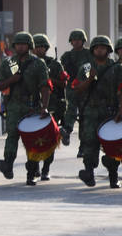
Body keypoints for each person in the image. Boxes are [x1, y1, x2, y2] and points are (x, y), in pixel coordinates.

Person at [0, 31, 51, 186]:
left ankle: (31, 173)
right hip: (13, 106)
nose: (20, 47)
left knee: (32, 140)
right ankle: (8, 165)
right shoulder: (9, 63)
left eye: (23, 44)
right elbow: (0, 85)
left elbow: (45, 87)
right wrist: (12, 79)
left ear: (29, 46)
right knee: (12, 136)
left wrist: (44, 107)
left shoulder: (38, 64)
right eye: (18, 44)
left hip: (32, 106)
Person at [71, 35, 121, 187]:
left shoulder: (116, 68)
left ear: (108, 50)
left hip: (110, 112)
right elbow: (77, 89)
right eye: (97, 48)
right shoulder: (86, 68)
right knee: (89, 143)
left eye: (103, 48)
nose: (100, 50)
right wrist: (89, 79)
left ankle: (113, 176)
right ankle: (89, 172)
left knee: (112, 144)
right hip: (91, 111)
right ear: (93, 50)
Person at [32, 34, 66, 181]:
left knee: (50, 140)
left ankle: (46, 168)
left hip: (52, 106)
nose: (39, 49)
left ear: (45, 48)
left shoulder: (55, 64)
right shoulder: (28, 64)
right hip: (33, 106)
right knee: (34, 138)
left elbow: (64, 84)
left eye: (41, 47)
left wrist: (48, 79)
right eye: (36, 47)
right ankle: (34, 167)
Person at [60, 29, 90, 148]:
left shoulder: (89, 54)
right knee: (71, 109)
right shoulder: (67, 56)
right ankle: (67, 129)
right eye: (74, 40)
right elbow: (62, 71)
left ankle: (83, 145)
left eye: (78, 40)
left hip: (85, 88)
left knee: (84, 115)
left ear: (83, 41)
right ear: (71, 42)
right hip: (72, 87)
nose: (76, 42)